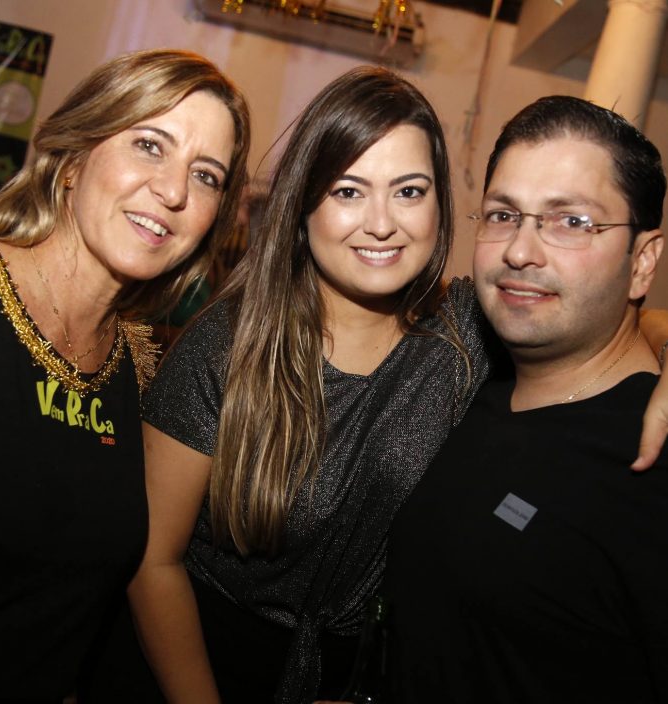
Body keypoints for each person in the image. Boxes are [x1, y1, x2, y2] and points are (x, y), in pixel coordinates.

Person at [119, 68, 668, 704]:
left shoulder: (468, 332)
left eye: (408, 191)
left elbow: (598, 314)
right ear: (304, 207)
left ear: (439, 205)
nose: (381, 224)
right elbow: (151, 559)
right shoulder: (232, 343)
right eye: (349, 191)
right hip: (200, 662)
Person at [0, 48, 249, 701]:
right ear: (74, 159)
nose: (175, 191)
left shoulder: (146, 366)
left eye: (206, 175)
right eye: (150, 145)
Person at [384, 96, 668, 703]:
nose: (520, 252)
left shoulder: (652, 459)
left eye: (571, 222)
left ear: (642, 262)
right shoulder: (470, 382)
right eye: (503, 214)